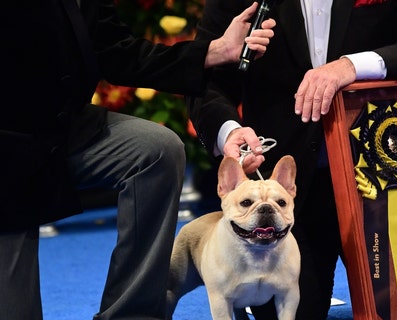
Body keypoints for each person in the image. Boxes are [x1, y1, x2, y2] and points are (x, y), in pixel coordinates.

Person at [186, 0, 397, 318]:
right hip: (288, 197)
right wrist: (229, 132)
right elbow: (206, 84)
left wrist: (350, 66)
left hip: (383, 184)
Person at [0, 1, 275, 320]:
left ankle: (133, 314)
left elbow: (114, 51)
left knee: (155, 149)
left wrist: (215, 51)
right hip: (7, 151)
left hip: (59, 128)